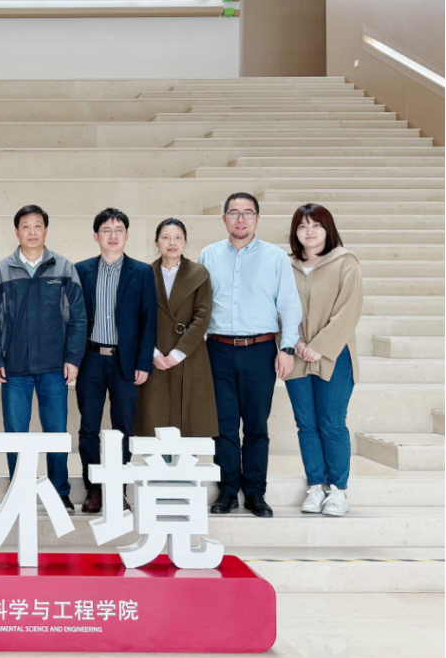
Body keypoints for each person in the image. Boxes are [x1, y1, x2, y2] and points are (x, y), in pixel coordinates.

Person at [199, 193, 302, 519]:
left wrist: (287, 347)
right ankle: (228, 491)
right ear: (224, 218)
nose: (240, 219)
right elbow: (200, 305)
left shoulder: (275, 257)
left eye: (247, 213)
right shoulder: (209, 254)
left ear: (257, 218)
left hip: (259, 350)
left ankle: (256, 492)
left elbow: (289, 304)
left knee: (256, 425)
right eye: (234, 213)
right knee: (223, 426)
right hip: (217, 349)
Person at [0, 205, 86, 513]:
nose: (32, 231)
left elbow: (78, 318)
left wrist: (73, 358)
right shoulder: (1, 270)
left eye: (37, 225)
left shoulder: (64, 267)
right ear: (16, 232)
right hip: (14, 367)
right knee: (16, 434)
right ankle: (19, 491)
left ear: (46, 230)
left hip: (54, 367)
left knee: (56, 432)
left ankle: (60, 491)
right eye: (26, 226)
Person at [74, 209, 157, 514]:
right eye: (106, 230)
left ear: (127, 235)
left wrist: (144, 363)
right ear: (96, 236)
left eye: (119, 229)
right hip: (91, 360)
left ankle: (118, 488)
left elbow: (149, 320)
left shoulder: (142, 272)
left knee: (123, 428)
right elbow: (73, 318)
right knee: (88, 428)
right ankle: (94, 489)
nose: (113, 235)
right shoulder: (81, 270)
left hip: (126, 362)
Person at [286, 204, 363, 518]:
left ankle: (338, 490)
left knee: (331, 424)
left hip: (335, 355)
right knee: (306, 424)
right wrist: (294, 343)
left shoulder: (346, 263)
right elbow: (278, 308)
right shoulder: (286, 265)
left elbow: (349, 310)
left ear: (327, 229)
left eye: (316, 225)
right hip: (296, 355)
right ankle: (316, 485)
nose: (309, 231)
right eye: (302, 226)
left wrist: (319, 346)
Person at [135, 219, 218, 439]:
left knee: (190, 421)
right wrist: (152, 353)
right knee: (154, 421)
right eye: (166, 237)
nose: (172, 243)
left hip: (189, 355)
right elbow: (137, 317)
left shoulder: (199, 273)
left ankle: (185, 464)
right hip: (155, 356)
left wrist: (179, 353)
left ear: (185, 242)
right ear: (156, 242)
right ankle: (158, 463)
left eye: (178, 238)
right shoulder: (144, 273)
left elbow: (202, 316)